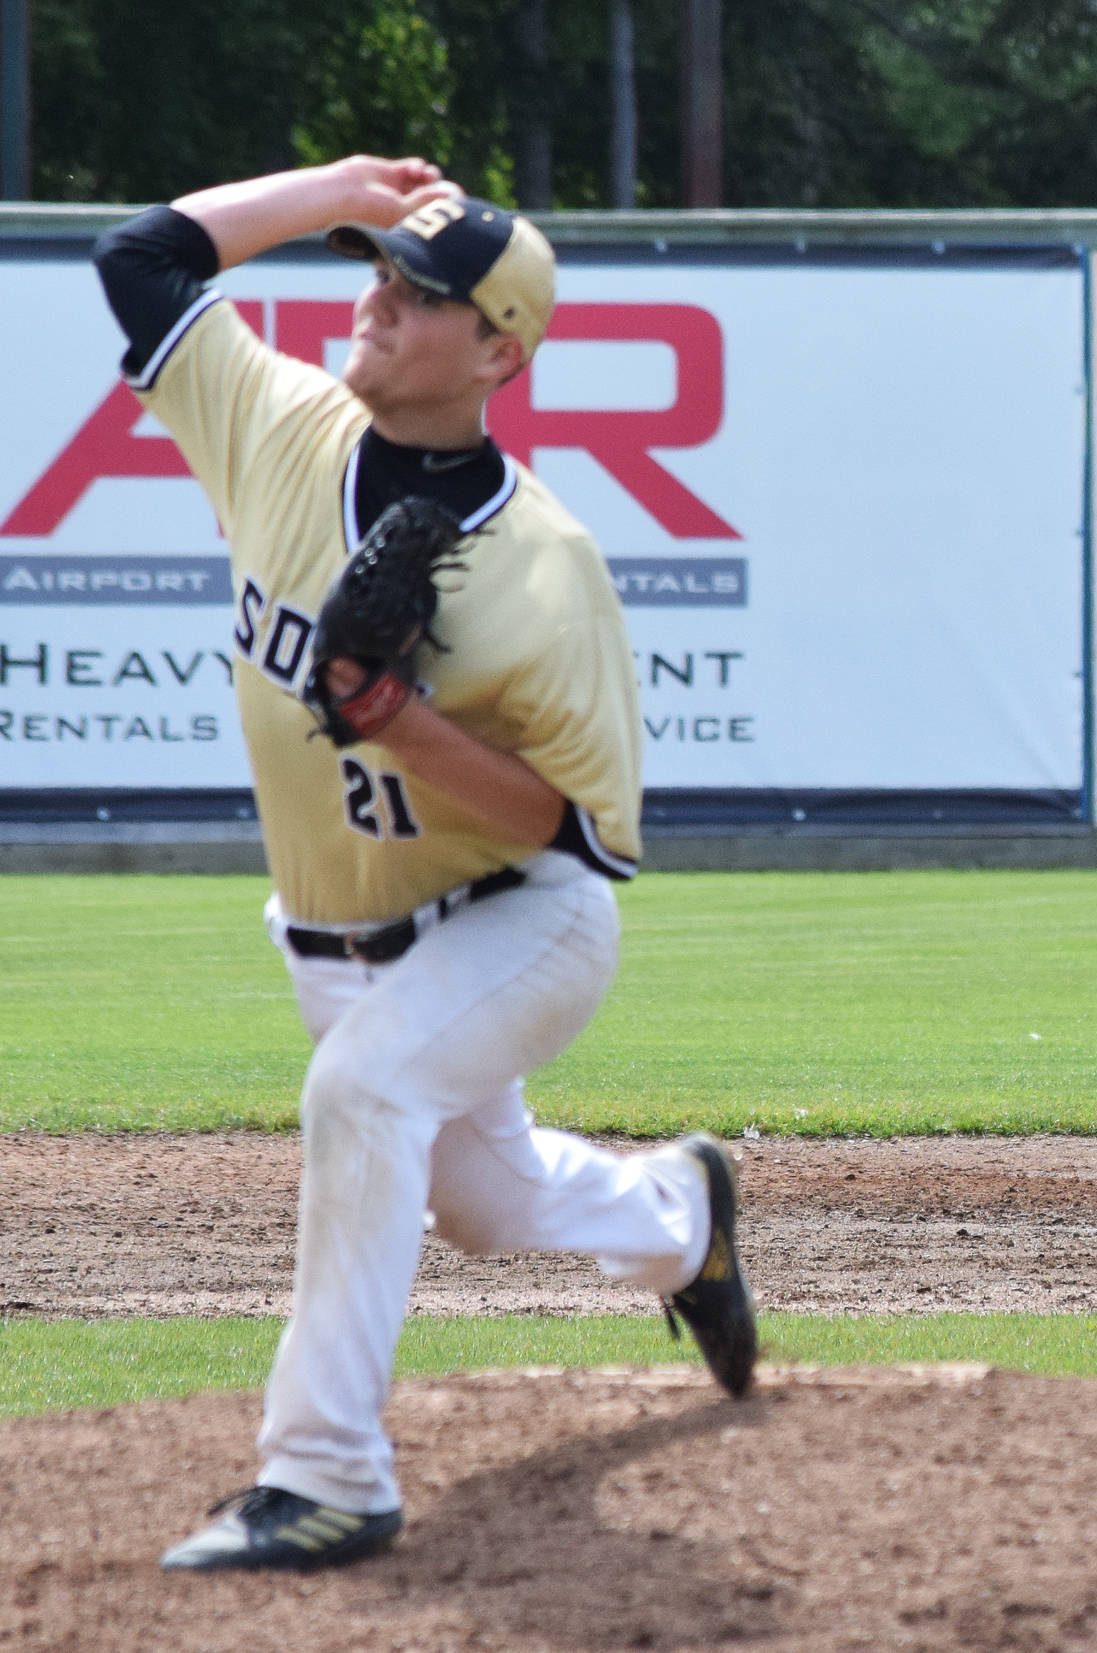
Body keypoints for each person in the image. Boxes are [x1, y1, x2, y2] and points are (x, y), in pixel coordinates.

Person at [91, 155, 758, 1572]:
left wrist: (397, 719)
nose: (380, 298)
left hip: (522, 923)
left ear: (501, 348)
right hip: (332, 934)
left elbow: (569, 829)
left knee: (366, 1089)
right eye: (380, 269)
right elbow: (141, 258)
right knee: (486, 1204)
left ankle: (325, 1474)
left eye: (423, 289)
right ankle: (683, 1214)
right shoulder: (281, 424)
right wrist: (344, 184)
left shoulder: (545, 565)